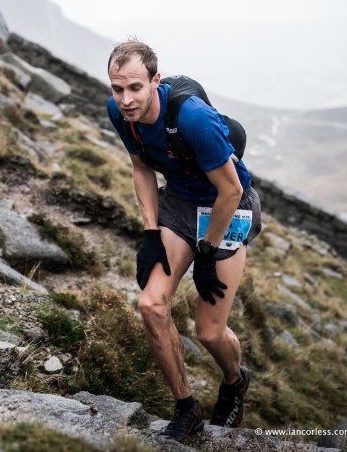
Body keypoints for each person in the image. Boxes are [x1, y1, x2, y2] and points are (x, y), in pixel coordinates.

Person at [105, 39, 262, 443]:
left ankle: (234, 380)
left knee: (209, 331)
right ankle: (187, 408)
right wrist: (150, 233)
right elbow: (141, 167)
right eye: (117, 88)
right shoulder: (120, 113)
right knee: (151, 305)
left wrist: (207, 251)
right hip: (179, 202)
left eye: (135, 87)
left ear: (155, 80)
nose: (126, 99)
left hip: (227, 207)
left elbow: (230, 190)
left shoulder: (192, 118)